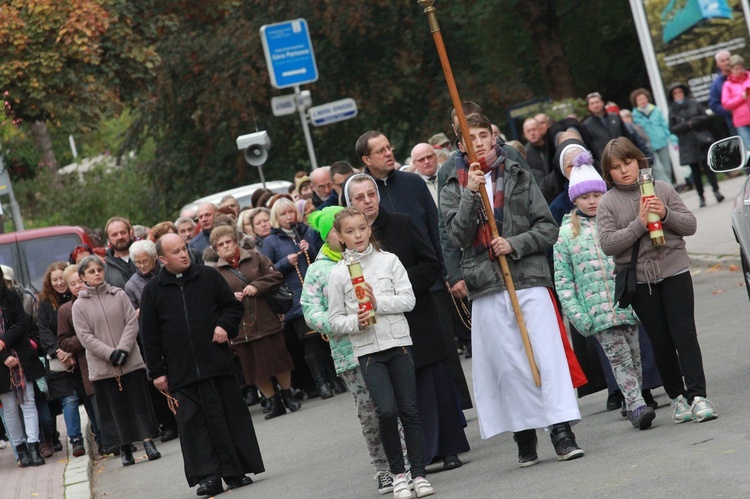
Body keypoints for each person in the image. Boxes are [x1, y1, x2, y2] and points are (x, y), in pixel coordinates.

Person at [440, 112, 585, 466]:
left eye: (484, 135)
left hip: (528, 279)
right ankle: (524, 434)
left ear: (494, 138)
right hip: (486, 286)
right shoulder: (452, 186)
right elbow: (456, 237)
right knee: (508, 365)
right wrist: (471, 195)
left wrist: (513, 243)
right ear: (461, 145)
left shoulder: (519, 175)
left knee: (545, 356)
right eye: (470, 138)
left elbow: (547, 228)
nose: (479, 142)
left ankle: (561, 431)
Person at [344, 173, 470, 470]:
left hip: (418, 319)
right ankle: (419, 457)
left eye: (371, 194)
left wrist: (397, 285)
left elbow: (430, 265)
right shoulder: (349, 241)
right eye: (359, 198)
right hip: (382, 332)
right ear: (350, 204)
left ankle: (448, 448)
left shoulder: (401, 222)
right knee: (403, 395)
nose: (367, 201)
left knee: (432, 385)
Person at [597, 137, 718, 425]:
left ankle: (698, 396)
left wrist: (664, 213)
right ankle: (677, 398)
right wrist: (640, 223)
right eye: (616, 167)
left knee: (685, 335)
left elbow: (690, 225)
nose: (624, 170)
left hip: (674, 270)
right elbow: (608, 244)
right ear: (608, 172)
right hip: (640, 280)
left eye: (628, 162)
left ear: (638, 160)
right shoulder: (607, 203)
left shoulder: (661, 188)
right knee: (661, 341)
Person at [139, 234, 262, 496]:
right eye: (176, 252)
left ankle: (235, 471)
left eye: (184, 249)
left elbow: (232, 308)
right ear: (162, 259)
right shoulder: (152, 291)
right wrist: (157, 372)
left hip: (216, 363)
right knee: (195, 427)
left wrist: (223, 325)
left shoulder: (208, 276)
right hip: (180, 371)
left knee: (228, 417)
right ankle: (209, 477)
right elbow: (149, 334)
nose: (183, 254)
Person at [327, 207, 434, 499]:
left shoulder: (389, 261)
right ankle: (398, 475)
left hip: (398, 343)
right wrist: (355, 321)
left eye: (362, 228)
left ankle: (419, 474)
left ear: (369, 229)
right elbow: (334, 318)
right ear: (339, 237)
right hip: (368, 351)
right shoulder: (338, 275)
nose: (357, 235)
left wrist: (378, 303)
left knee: (409, 410)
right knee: (385, 411)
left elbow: (409, 300)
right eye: (350, 231)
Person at [301, 205, 399, 495]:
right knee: (370, 412)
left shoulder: (373, 258)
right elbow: (310, 311)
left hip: (385, 343)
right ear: (330, 235)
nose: (348, 234)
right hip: (350, 354)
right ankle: (382, 469)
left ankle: (405, 461)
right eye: (335, 230)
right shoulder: (319, 271)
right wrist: (343, 323)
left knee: (394, 406)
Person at [553, 151, 655, 430]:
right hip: (597, 314)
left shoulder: (614, 223)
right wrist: (580, 317)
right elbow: (563, 282)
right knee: (619, 358)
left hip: (628, 304)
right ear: (575, 199)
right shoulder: (565, 235)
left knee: (634, 357)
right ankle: (636, 405)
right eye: (585, 197)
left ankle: (632, 398)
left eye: (596, 195)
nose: (592, 202)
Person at [72, 255, 161, 467]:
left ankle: (148, 442)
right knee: (114, 408)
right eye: (91, 271)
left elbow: (131, 322)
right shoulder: (79, 306)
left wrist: (123, 348)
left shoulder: (118, 294)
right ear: (83, 276)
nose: (96, 274)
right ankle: (124, 447)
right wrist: (109, 353)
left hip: (129, 360)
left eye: (99, 270)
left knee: (138, 402)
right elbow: (85, 337)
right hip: (103, 366)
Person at [211, 226, 299, 419]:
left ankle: (287, 394)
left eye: (229, 242)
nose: (226, 246)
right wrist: (229, 297)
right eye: (221, 244)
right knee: (254, 368)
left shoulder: (255, 257)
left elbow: (275, 276)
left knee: (279, 360)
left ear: (236, 242)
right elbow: (211, 300)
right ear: (216, 249)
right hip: (241, 327)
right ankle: (273, 401)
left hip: (266, 318)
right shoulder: (215, 272)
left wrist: (256, 287)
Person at [260, 198, 338, 400]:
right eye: (284, 214)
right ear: (276, 218)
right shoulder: (271, 241)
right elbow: (268, 271)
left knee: (328, 339)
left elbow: (322, 256)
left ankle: (335, 379)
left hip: (319, 293)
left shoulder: (307, 232)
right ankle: (321, 384)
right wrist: (285, 262)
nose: (289, 217)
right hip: (297, 299)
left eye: (291, 212)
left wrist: (310, 249)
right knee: (311, 342)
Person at [123, 239, 179, 443]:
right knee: (157, 381)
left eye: (145, 261)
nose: (141, 266)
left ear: (155, 258)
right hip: (151, 337)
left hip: (174, 332)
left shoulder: (169, 271)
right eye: (137, 263)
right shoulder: (131, 285)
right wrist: (138, 313)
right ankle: (169, 423)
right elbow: (130, 315)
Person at [36, 262, 88, 456]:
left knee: (88, 398)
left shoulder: (76, 296)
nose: (59, 283)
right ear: (49, 282)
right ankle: (75, 440)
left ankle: (100, 437)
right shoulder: (44, 303)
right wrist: (60, 352)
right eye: (55, 279)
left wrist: (71, 351)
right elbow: (44, 332)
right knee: (70, 399)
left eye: (61, 278)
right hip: (60, 360)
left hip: (79, 354)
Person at [0, 277, 46, 467]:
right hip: (1, 363)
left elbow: (21, 322)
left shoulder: (10, 296)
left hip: (20, 355)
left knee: (28, 402)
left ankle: (34, 446)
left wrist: (3, 342)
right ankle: (21, 449)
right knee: (10, 408)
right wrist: (3, 356)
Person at [57, 264, 103, 455]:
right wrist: (87, 338)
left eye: (79, 281)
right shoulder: (66, 310)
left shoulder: (100, 300)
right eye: (72, 283)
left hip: (108, 359)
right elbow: (64, 341)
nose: (78, 286)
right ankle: (103, 440)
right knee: (94, 405)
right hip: (86, 366)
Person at [668, 82, 724, 208]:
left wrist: (692, 123)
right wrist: (686, 125)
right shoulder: (672, 111)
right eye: (675, 93)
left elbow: (705, 117)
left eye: (680, 92)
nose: (678, 95)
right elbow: (673, 128)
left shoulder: (694, 103)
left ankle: (716, 190)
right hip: (687, 143)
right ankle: (701, 197)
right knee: (695, 171)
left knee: (709, 166)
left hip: (702, 139)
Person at [630, 88, 678, 185]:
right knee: (658, 169)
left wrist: (672, 139)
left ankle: (666, 188)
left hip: (662, 142)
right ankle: (668, 188)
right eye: (639, 99)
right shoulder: (634, 116)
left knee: (667, 168)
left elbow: (664, 125)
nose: (642, 101)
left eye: (644, 98)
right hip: (649, 146)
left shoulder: (656, 110)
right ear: (636, 102)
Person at [721, 54, 750, 148]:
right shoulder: (727, 85)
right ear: (731, 70)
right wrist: (741, 97)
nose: (739, 71)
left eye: (741, 68)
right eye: (736, 69)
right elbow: (726, 104)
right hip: (742, 122)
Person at [103, 216, 137, 289]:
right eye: (114, 235)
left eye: (123, 232)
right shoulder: (105, 268)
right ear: (108, 239)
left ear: (130, 233)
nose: (120, 237)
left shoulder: (145, 256)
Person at [709, 49, 736, 135]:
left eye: (728, 59)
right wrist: (731, 111)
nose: (726, 62)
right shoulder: (716, 84)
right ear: (718, 64)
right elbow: (714, 105)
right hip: (735, 124)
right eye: (723, 61)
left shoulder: (745, 76)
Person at [523, 117, 549, 184]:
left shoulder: (551, 146)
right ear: (525, 134)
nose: (532, 133)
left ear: (540, 129)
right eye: (528, 131)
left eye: (534, 129)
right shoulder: (524, 154)